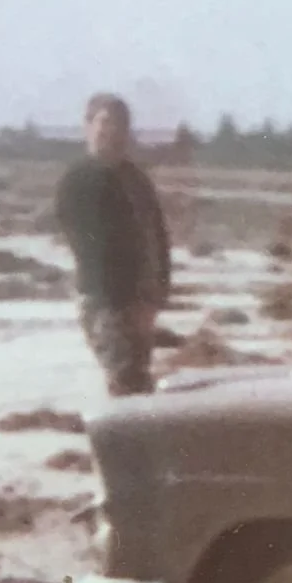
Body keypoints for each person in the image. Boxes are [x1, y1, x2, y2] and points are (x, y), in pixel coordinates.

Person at [55, 93, 172, 397]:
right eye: (105, 122)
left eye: (120, 124)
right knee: (124, 379)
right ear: (88, 125)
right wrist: (126, 302)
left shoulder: (135, 178)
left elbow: (157, 235)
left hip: (142, 299)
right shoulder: (80, 179)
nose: (113, 131)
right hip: (106, 300)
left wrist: (158, 294)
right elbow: (90, 247)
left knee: (139, 380)